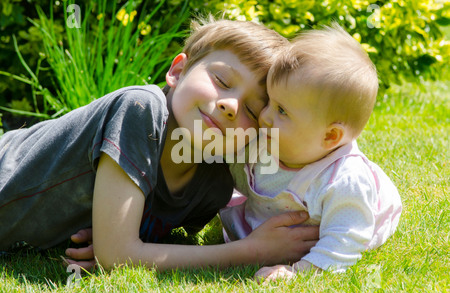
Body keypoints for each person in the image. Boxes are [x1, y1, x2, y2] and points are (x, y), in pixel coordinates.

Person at [0, 17, 319, 270]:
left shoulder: (213, 185)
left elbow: (122, 245)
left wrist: (115, 231)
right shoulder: (141, 109)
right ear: (178, 70)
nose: (230, 106)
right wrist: (249, 251)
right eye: (221, 81)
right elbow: (116, 256)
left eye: (251, 109)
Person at [219, 23, 402, 280]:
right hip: (269, 223)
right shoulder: (263, 141)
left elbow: (344, 241)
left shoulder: (343, 182)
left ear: (330, 136)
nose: (266, 116)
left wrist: (298, 272)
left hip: (355, 218)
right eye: (269, 101)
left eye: (282, 111)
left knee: (348, 225)